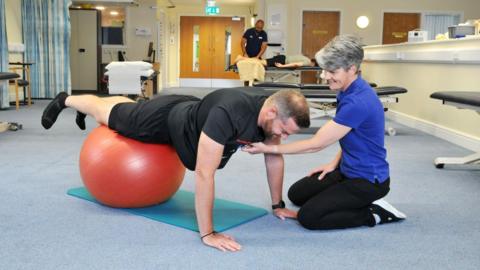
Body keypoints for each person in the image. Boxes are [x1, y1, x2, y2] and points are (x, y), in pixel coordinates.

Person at [41, 87, 310, 252]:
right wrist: (208, 233)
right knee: (106, 114)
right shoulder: (229, 114)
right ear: (272, 112)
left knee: (124, 108)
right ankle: (66, 100)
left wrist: (278, 205)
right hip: (168, 120)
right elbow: (205, 173)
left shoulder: (271, 113)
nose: (283, 138)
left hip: (193, 113)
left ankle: (112, 105)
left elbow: (273, 157)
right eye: (284, 131)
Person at [243, 35, 406, 231]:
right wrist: (333, 164)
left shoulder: (358, 101)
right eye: (324, 70)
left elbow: (316, 144)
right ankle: (346, 196)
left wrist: (268, 148)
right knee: (297, 194)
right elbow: (350, 134)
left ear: (352, 69)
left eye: (332, 71)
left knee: (309, 217)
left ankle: (373, 213)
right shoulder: (348, 90)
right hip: (346, 171)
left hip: (368, 181)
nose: (324, 76)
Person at [234, 54, 318, 68]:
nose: (312, 67)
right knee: (261, 62)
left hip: (282, 57)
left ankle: (242, 58)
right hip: (282, 60)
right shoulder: (307, 62)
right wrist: (282, 66)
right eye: (314, 66)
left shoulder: (306, 58)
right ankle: (241, 58)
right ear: (313, 63)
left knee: (262, 61)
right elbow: (296, 64)